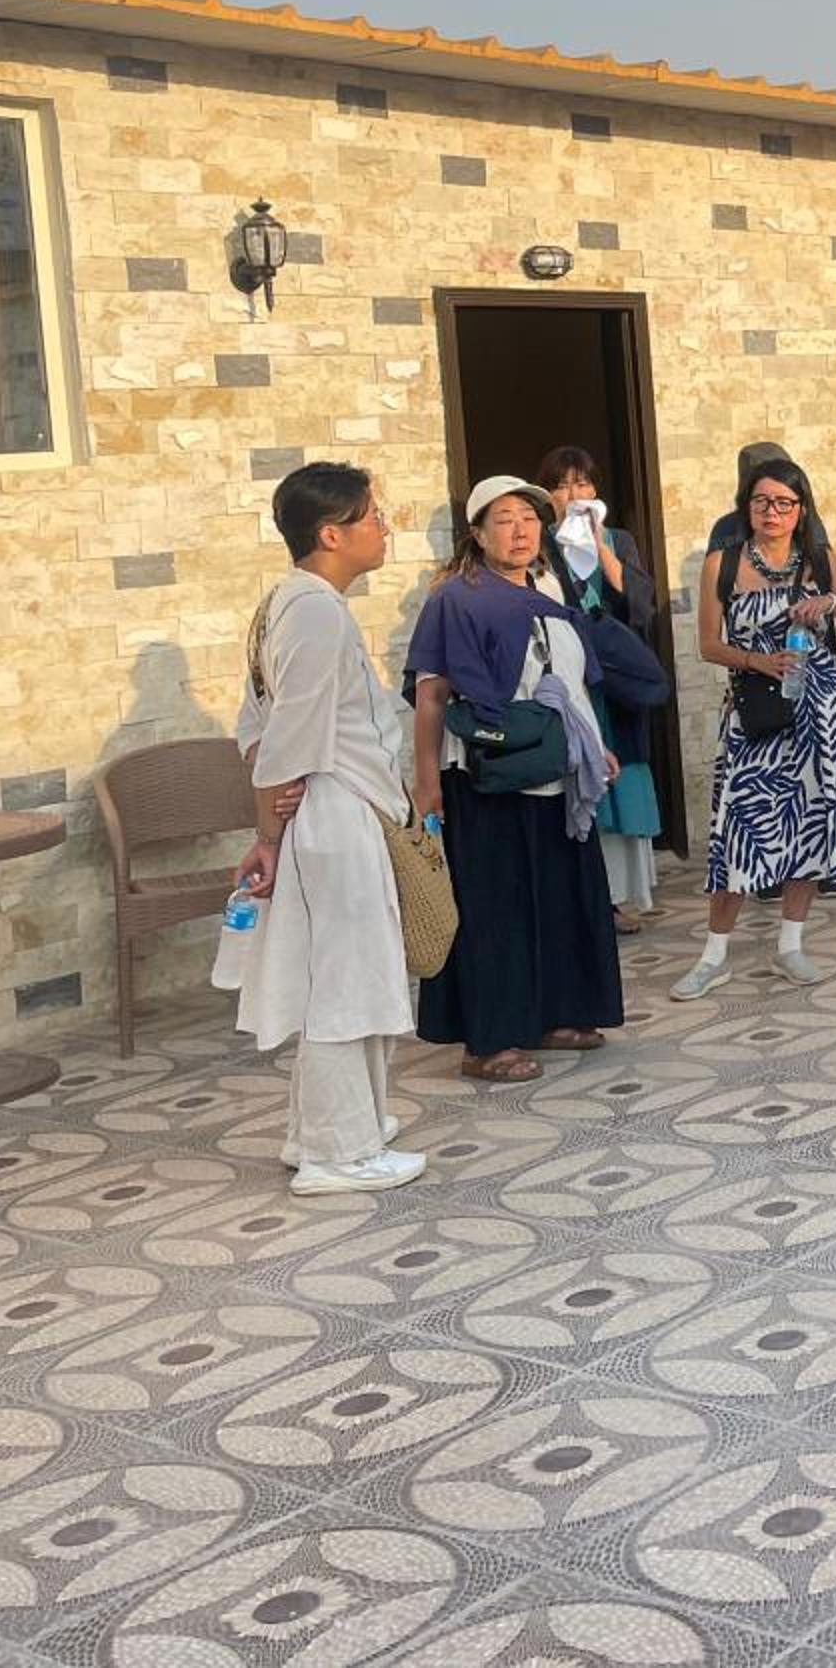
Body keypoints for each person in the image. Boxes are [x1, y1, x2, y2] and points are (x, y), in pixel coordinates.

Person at [231, 462, 424, 1195]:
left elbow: (252, 729)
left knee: (355, 974)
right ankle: (338, 1153)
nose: (384, 526)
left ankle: (338, 1127)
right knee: (346, 981)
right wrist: (268, 836)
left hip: (335, 810)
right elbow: (286, 738)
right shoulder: (313, 612)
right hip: (333, 814)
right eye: (371, 515)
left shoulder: (285, 605)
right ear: (331, 533)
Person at [404, 475, 625, 1083]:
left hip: (555, 769)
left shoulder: (550, 589)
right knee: (495, 908)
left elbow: (570, 683)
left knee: (557, 896)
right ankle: (490, 1040)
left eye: (529, 518)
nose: (521, 530)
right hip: (487, 772)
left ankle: (554, 1015)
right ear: (477, 535)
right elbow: (430, 695)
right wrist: (426, 783)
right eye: (503, 519)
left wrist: (595, 745)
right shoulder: (456, 600)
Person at [672, 456, 836, 1000]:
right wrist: (760, 662)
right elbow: (708, 645)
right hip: (756, 712)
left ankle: (791, 944)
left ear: (801, 510)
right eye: (761, 501)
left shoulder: (819, 560)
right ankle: (713, 956)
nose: (772, 512)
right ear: (746, 506)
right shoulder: (723, 563)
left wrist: (829, 601)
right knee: (739, 829)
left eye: (784, 503)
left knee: (810, 825)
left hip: (822, 711)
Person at [538, 447, 665, 932]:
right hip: (571, 678)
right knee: (581, 774)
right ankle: (593, 900)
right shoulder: (541, 544)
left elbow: (638, 600)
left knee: (623, 774)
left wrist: (597, 542)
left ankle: (623, 893)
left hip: (615, 676)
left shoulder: (619, 539)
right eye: (562, 485)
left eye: (583, 483)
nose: (574, 494)